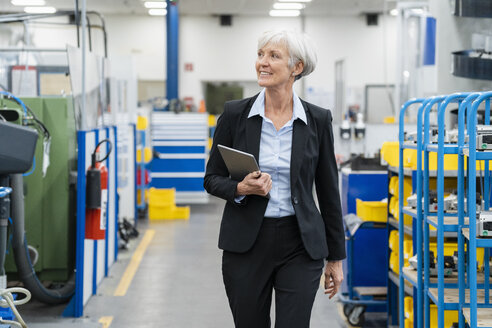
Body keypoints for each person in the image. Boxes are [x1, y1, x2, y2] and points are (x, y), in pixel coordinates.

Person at [204, 30, 346, 328]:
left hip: (300, 243)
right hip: (246, 243)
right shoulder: (235, 115)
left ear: (297, 68)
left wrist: (335, 258)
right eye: (260, 55)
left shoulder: (318, 120)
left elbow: (329, 191)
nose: (262, 63)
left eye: (273, 56)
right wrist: (241, 188)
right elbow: (212, 178)